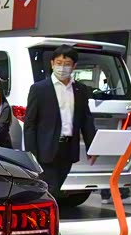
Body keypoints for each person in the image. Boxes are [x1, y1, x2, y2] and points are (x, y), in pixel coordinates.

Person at [24, 45, 97, 198]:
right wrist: (31, 154)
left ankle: (47, 211)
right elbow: (30, 124)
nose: (62, 68)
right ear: (52, 64)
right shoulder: (39, 89)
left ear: (74, 66)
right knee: (51, 188)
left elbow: (86, 120)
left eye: (67, 64)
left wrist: (92, 147)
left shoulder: (80, 89)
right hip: (45, 149)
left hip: (68, 148)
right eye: (59, 63)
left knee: (56, 187)